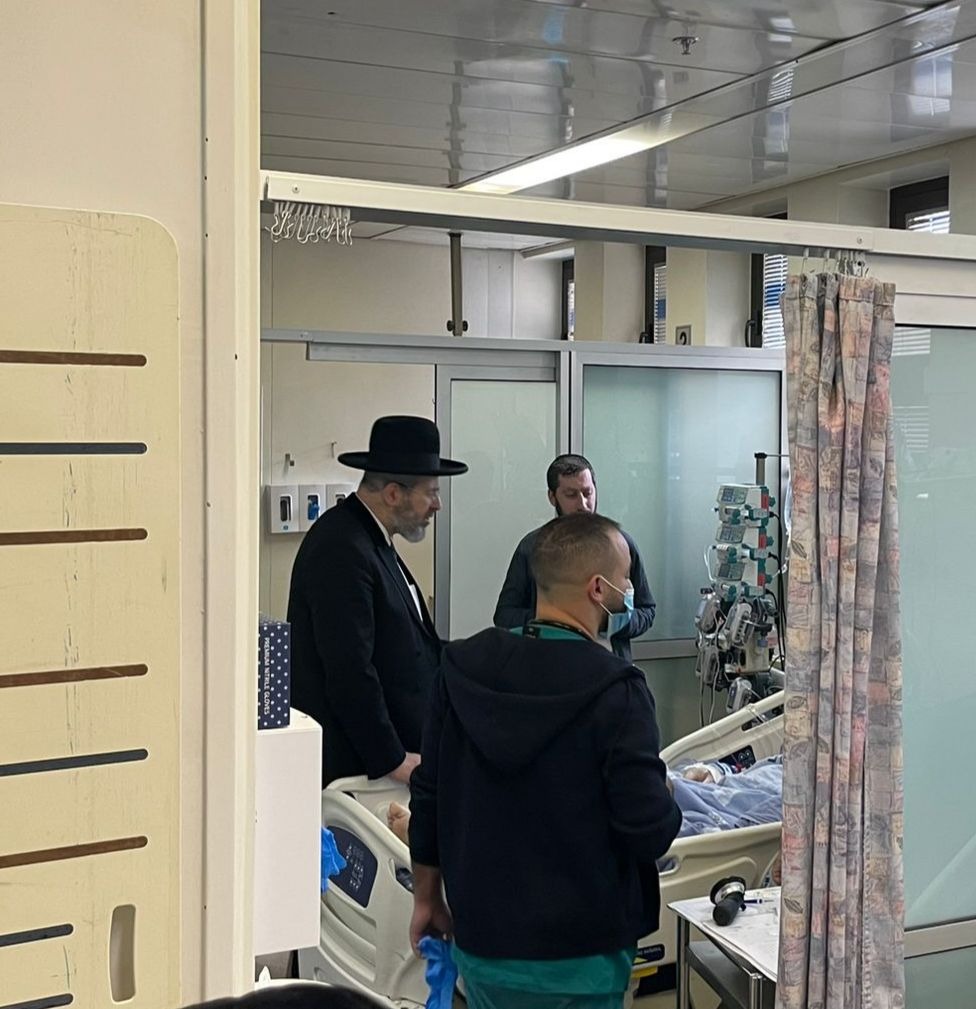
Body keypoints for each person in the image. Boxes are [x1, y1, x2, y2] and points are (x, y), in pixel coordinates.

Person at [409, 512, 681, 1009]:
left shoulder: (461, 669)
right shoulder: (617, 691)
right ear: (598, 589)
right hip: (583, 958)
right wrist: (664, 796)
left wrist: (426, 898)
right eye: (625, 581)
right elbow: (647, 831)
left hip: (483, 942)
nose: (629, 592)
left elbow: (430, 792)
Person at [287, 415, 467, 786]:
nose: (438, 505)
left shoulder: (372, 541)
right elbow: (349, 669)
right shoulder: (342, 546)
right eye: (431, 493)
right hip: (358, 770)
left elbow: (409, 646)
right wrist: (390, 758)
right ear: (393, 494)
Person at [493, 454, 655, 660]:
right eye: (571, 495)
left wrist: (612, 623)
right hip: (547, 663)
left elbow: (647, 610)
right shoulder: (533, 547)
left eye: (588, 493)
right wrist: (556, 620)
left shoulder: (621, 545)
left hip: (611, 664)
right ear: (552, 497)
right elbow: (504, 615)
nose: (583, 504)